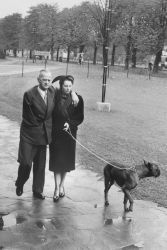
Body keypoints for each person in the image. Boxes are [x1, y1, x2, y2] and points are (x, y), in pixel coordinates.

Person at [15, 70, 79, 200]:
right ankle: (20, 182)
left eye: (49, 80)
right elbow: (28, 117)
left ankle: (37, 191)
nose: (47, 82)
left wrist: (73, 93)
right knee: (26, 163)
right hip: (29, 134)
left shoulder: (52, 92)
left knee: (40, 165)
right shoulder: (29, 94)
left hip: (44, 135)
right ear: (38, 80)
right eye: (44, 80)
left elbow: (64, 91)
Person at [49, 75, 84, 202]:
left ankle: (62, 185)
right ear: (60, 85)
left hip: (69, 134)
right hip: (56, 134)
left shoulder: (78, 99)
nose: (68, 88)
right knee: (56, 162)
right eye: (65, 86)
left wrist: (70, 123)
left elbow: (80, 117)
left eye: (70, 86)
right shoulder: (54, 95)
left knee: (65, 163)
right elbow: (48, 86)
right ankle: (56, 188)